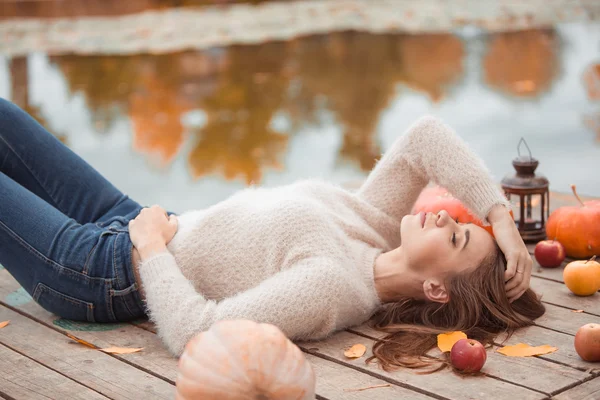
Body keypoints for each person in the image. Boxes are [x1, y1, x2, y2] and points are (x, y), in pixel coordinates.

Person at [0, 98, 544, 372]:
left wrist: (149, 248)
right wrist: (498, 218)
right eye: (461, 224)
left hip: (100, 271)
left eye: (455, 241)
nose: (448, 218)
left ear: (436, 291)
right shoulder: (377, 224)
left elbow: (200, 334)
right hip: (133, 218)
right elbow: (425, 137)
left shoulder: (332, 288)